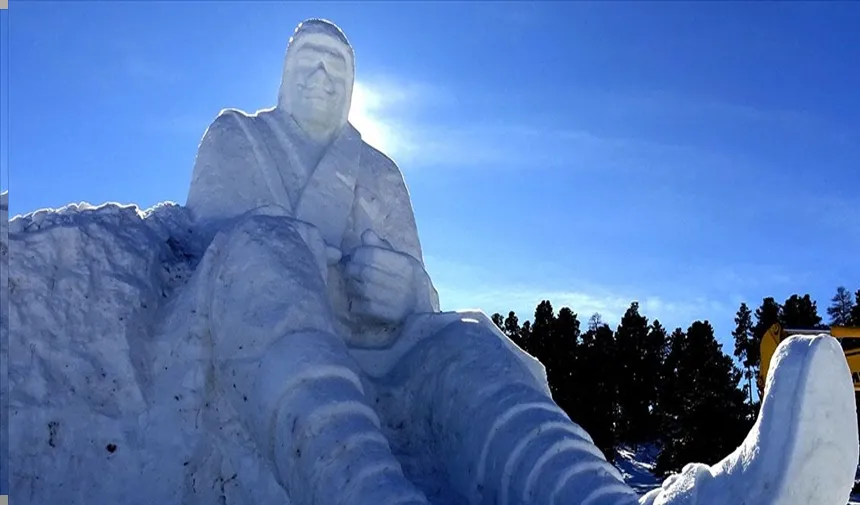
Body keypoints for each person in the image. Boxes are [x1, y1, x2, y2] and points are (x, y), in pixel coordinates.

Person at [183, 18, 858, 505]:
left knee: (473, 344)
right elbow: (221, 250)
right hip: (276, 355)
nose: (324, 75)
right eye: (310, 60)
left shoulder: (376, 168)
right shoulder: (239, 137)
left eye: (338, 65)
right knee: (262, 249)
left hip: (386, 353)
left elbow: (421, 285)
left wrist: (405, 289)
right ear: (283, 73)